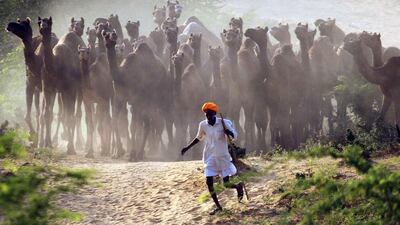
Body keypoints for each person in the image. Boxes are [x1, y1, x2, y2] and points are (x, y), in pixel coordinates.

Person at [181, 102, 245, 215]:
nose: (208, 117)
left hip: (223, 156)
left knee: (226, 184)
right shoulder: (203, 125)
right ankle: (218, 207)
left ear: (214, 114)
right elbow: (198, 138)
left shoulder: (223, 123)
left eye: (210, 114)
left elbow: (234, 136)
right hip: (210, 156)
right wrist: (187, 147)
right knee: (208, 182)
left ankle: (238, 187)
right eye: (206, 115)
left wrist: (228, 132)